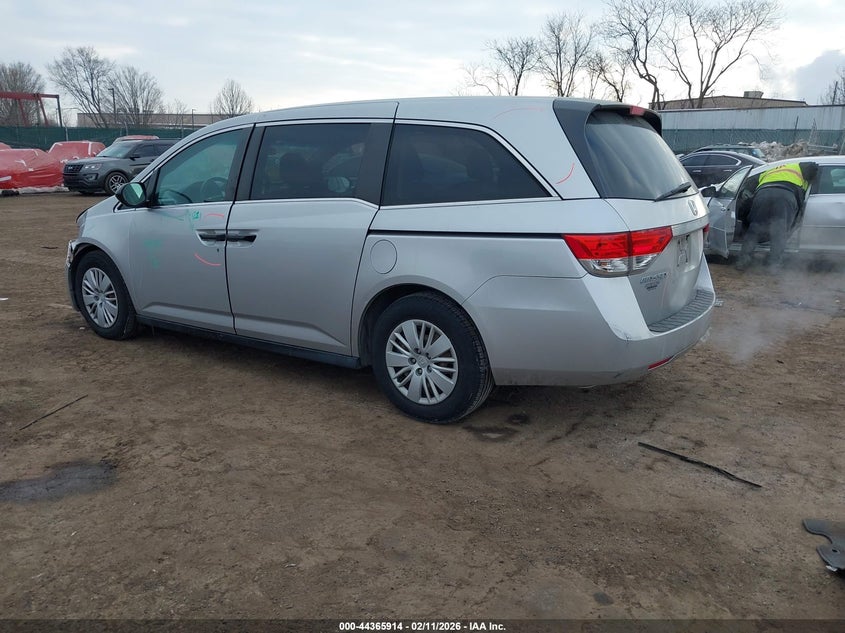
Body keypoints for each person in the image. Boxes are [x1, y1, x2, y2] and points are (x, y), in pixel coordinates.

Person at [735, 160, 818, 271]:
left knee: (754, 228)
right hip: (785, 195)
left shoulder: (770, 169)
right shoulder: (799, 166)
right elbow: (813, 168)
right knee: (779, 231)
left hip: (762, 194)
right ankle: (774, 265)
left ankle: (743, 262)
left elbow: (749, 187)